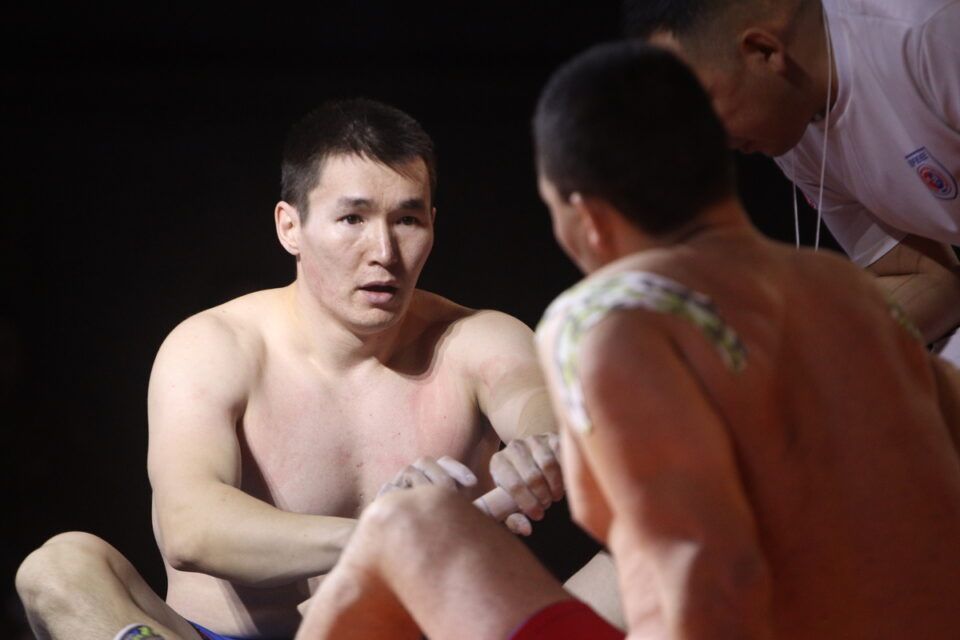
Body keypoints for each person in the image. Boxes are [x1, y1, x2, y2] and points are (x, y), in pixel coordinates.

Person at [296, 41, 960, 639]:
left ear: (581, 212)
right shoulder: (852, 290)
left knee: (407, 524)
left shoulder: (600, 318)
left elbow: (663, 550)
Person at [14, 98, 568, 640]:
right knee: (59, 567)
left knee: (616, 565)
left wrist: (540, 450)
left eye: (407, 219)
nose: (384, 250)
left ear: (432, 226)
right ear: (290, 227)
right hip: (217, 635)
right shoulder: (215, 345)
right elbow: (189, 527)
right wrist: (382, 535)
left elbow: (531, 400)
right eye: (352, 218)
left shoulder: (477, 337)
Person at [623, 0, 960, 365]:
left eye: (701, 109)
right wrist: (776, 349)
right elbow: (930, 279)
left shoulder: (929, 33)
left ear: (764, 51)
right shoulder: (790, 120)